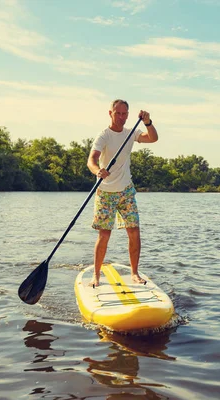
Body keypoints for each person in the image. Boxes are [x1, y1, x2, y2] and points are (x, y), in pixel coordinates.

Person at [86, 99, 158, 287]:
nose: (121, 117)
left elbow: (153, 138)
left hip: (126, 191)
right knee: (104, 235)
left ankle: (134, 273)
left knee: (134, 232)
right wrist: (97, 171)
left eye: (124, 114)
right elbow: (91, 160)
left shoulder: (130, 133)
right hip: (105, 192)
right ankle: (96, 275)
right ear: (110, 113)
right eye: (117, 113)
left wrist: (148, 122)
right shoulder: (104, 136)